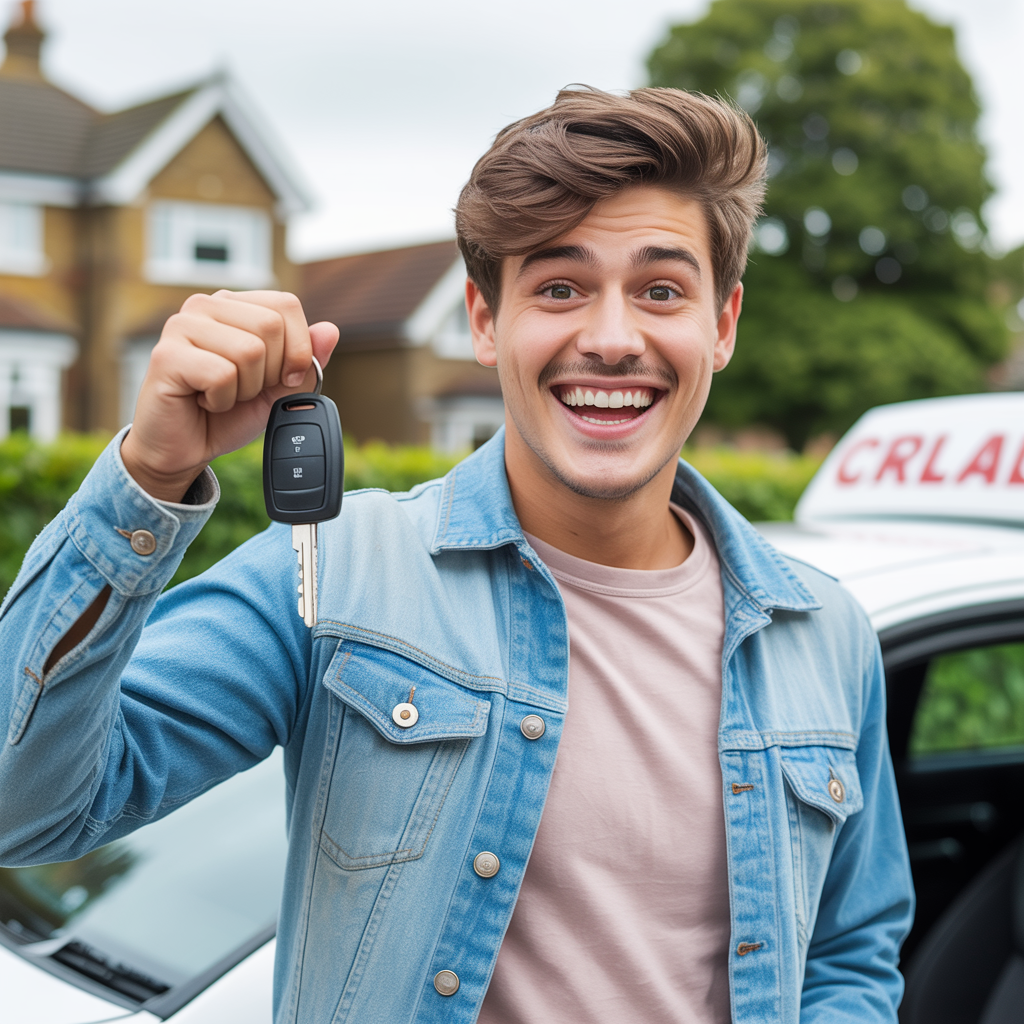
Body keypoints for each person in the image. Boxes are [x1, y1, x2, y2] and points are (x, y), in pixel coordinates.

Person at [0, 86, 913, 1023]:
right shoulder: (332, 574)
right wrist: (147, 473)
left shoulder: (826, 632)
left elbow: (849, 948)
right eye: (559, 287)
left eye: (662, 289)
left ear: (721, 325)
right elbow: (21, 809)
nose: (609, 338)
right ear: (483, 320)